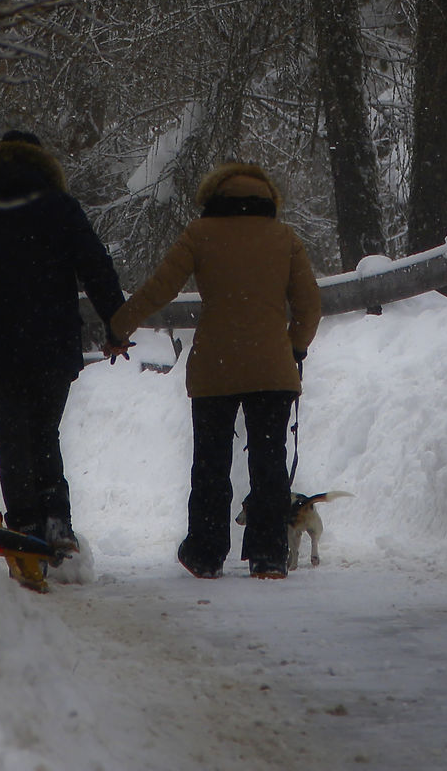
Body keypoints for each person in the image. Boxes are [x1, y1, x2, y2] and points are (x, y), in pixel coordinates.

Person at [111, 160, 322, 580]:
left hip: (215, 368)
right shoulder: (285, 238)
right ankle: (268, 554)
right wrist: (293, 347)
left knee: (211, 462)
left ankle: (206, 553)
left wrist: (119, 326)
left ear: (215, 197)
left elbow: (159, 288)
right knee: (269, 461)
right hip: (271, 369)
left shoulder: (199, 234)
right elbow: (309, 306)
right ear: (266, 199)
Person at [0, 130, 127, 559]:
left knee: (12, 441)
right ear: (41, 163)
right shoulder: (60, 207)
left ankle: (24, 528)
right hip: (52, 343)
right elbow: (96, 266)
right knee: (44, 434)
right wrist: (116, 325)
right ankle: (58, 524)